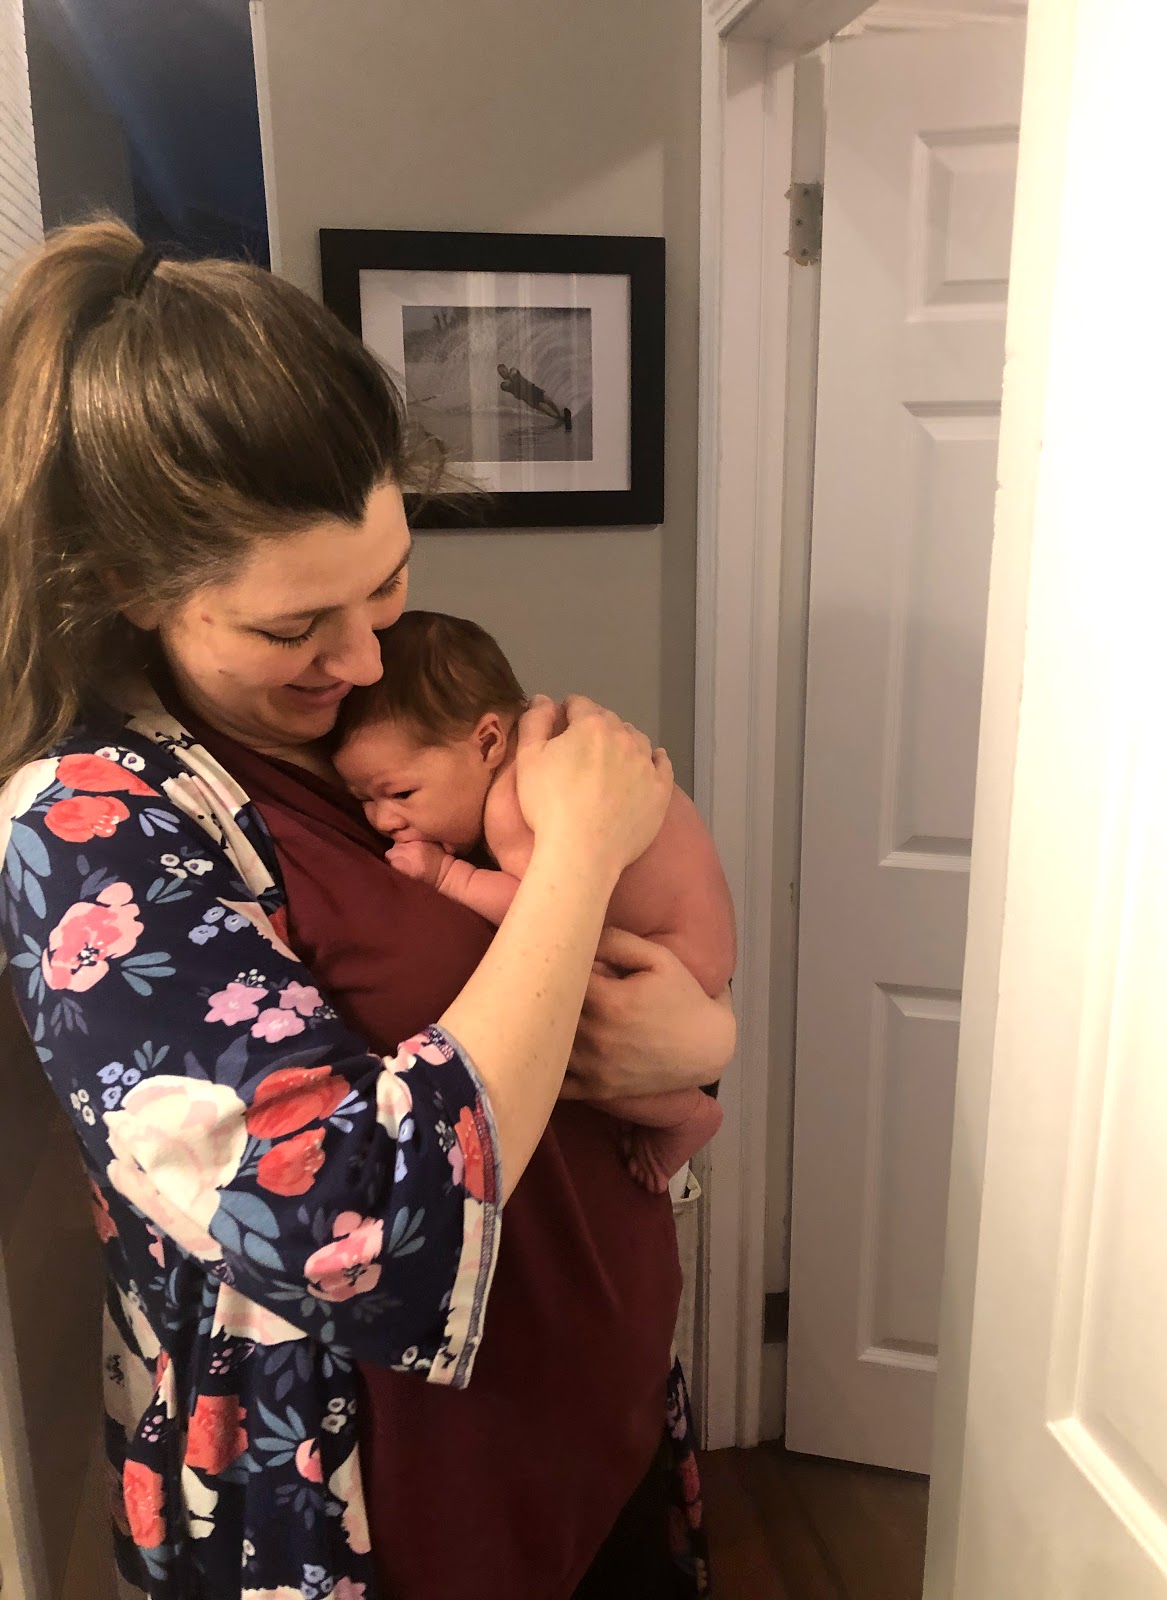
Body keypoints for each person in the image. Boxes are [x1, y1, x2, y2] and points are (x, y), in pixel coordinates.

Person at [0, 222, 735, 1600]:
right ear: (127, 586)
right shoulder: (92, 831)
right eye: (291, 628)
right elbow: (362, 1230)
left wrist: (695, 1047)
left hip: (598, 1431)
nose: (361, 654)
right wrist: (579, 854)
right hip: (378, 1522)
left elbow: (576, 998)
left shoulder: (375, 720)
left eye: (387, 579)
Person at [331, 610, 733, 1194]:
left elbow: (542, 905)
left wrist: (450, 876)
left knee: (567, 1030)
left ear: (487, 741)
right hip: (699, 945)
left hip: (671, 964)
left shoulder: (515, 801)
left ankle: (684, 1116)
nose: (383, 819)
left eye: (400, 793)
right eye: (362, 799)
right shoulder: (561, 741)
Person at [497, 360, 572, 430]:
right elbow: (508, 388)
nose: (502, 374)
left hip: (533, 390)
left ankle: (561, 415)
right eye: (500, 373)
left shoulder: (513, 370)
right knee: (546, 410)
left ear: (506, 369)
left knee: (549, 401)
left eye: (503, 371)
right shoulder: (504, 384)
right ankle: (561, 418)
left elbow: (514, 373)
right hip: (528, 399)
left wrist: (511, 380)